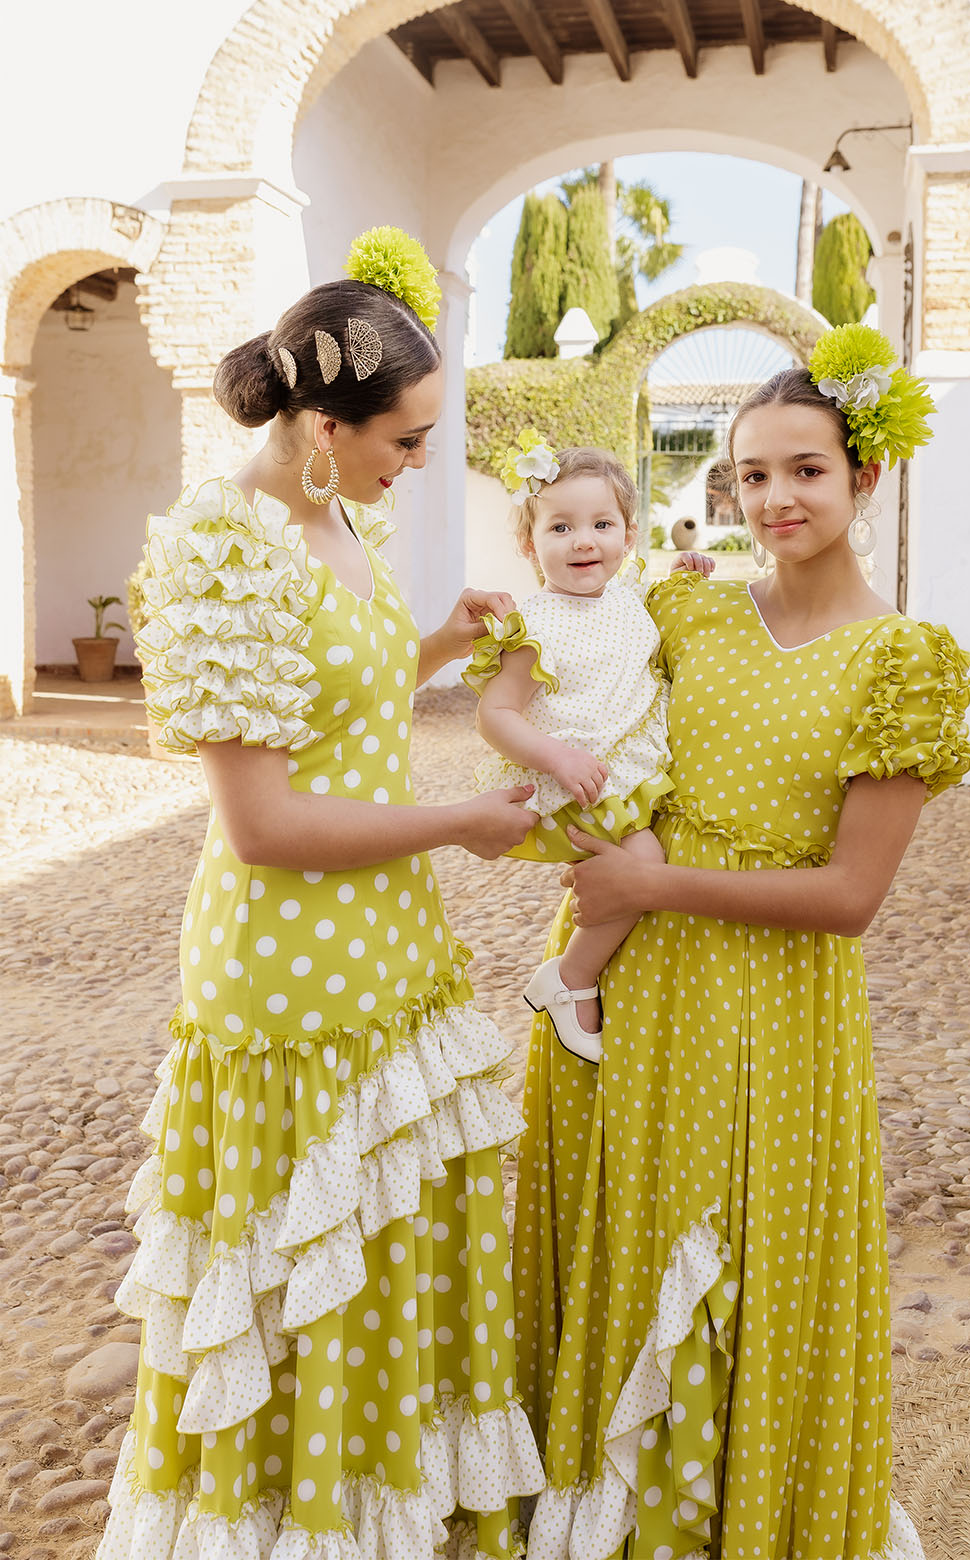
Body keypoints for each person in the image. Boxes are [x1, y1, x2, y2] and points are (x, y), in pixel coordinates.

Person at [98, 228, 545, 1560]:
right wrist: (459, 822)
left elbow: (326, 704)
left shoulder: (336, 513)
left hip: (387, 943)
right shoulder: (222, 549)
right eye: (405, 439)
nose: (419, 462)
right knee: (303, 1269)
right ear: (323, 426)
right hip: (288, 966)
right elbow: (266, 821)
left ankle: (387, 1508)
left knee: (388, 1245)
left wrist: (437, 645)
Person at [514, 325, 970, 1560]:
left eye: (805, 470)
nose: (775, 499)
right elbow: (565, 673)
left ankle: (741, 1516)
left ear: (865, 474)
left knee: (739, 1256)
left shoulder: (903, 664)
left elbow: (851, 895)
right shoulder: (687, 613)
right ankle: (611, 1519)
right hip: (627, 981)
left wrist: (654, 881)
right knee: (623, 1243)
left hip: (776, 1003)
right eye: (752, 474)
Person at [463, 435, 710, 1065]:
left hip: (623, 771)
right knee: (646, 860)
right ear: (529, 544)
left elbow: (642, 626)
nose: (583, 542)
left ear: (629, 536)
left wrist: (684, 576)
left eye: (602, 525)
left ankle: (584, 970)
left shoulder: (627, 599)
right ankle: (571, 977)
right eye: (561, 527)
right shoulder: (536, 626)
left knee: (642, 864)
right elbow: (495, 715)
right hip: (579, 781)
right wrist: (557, 757)